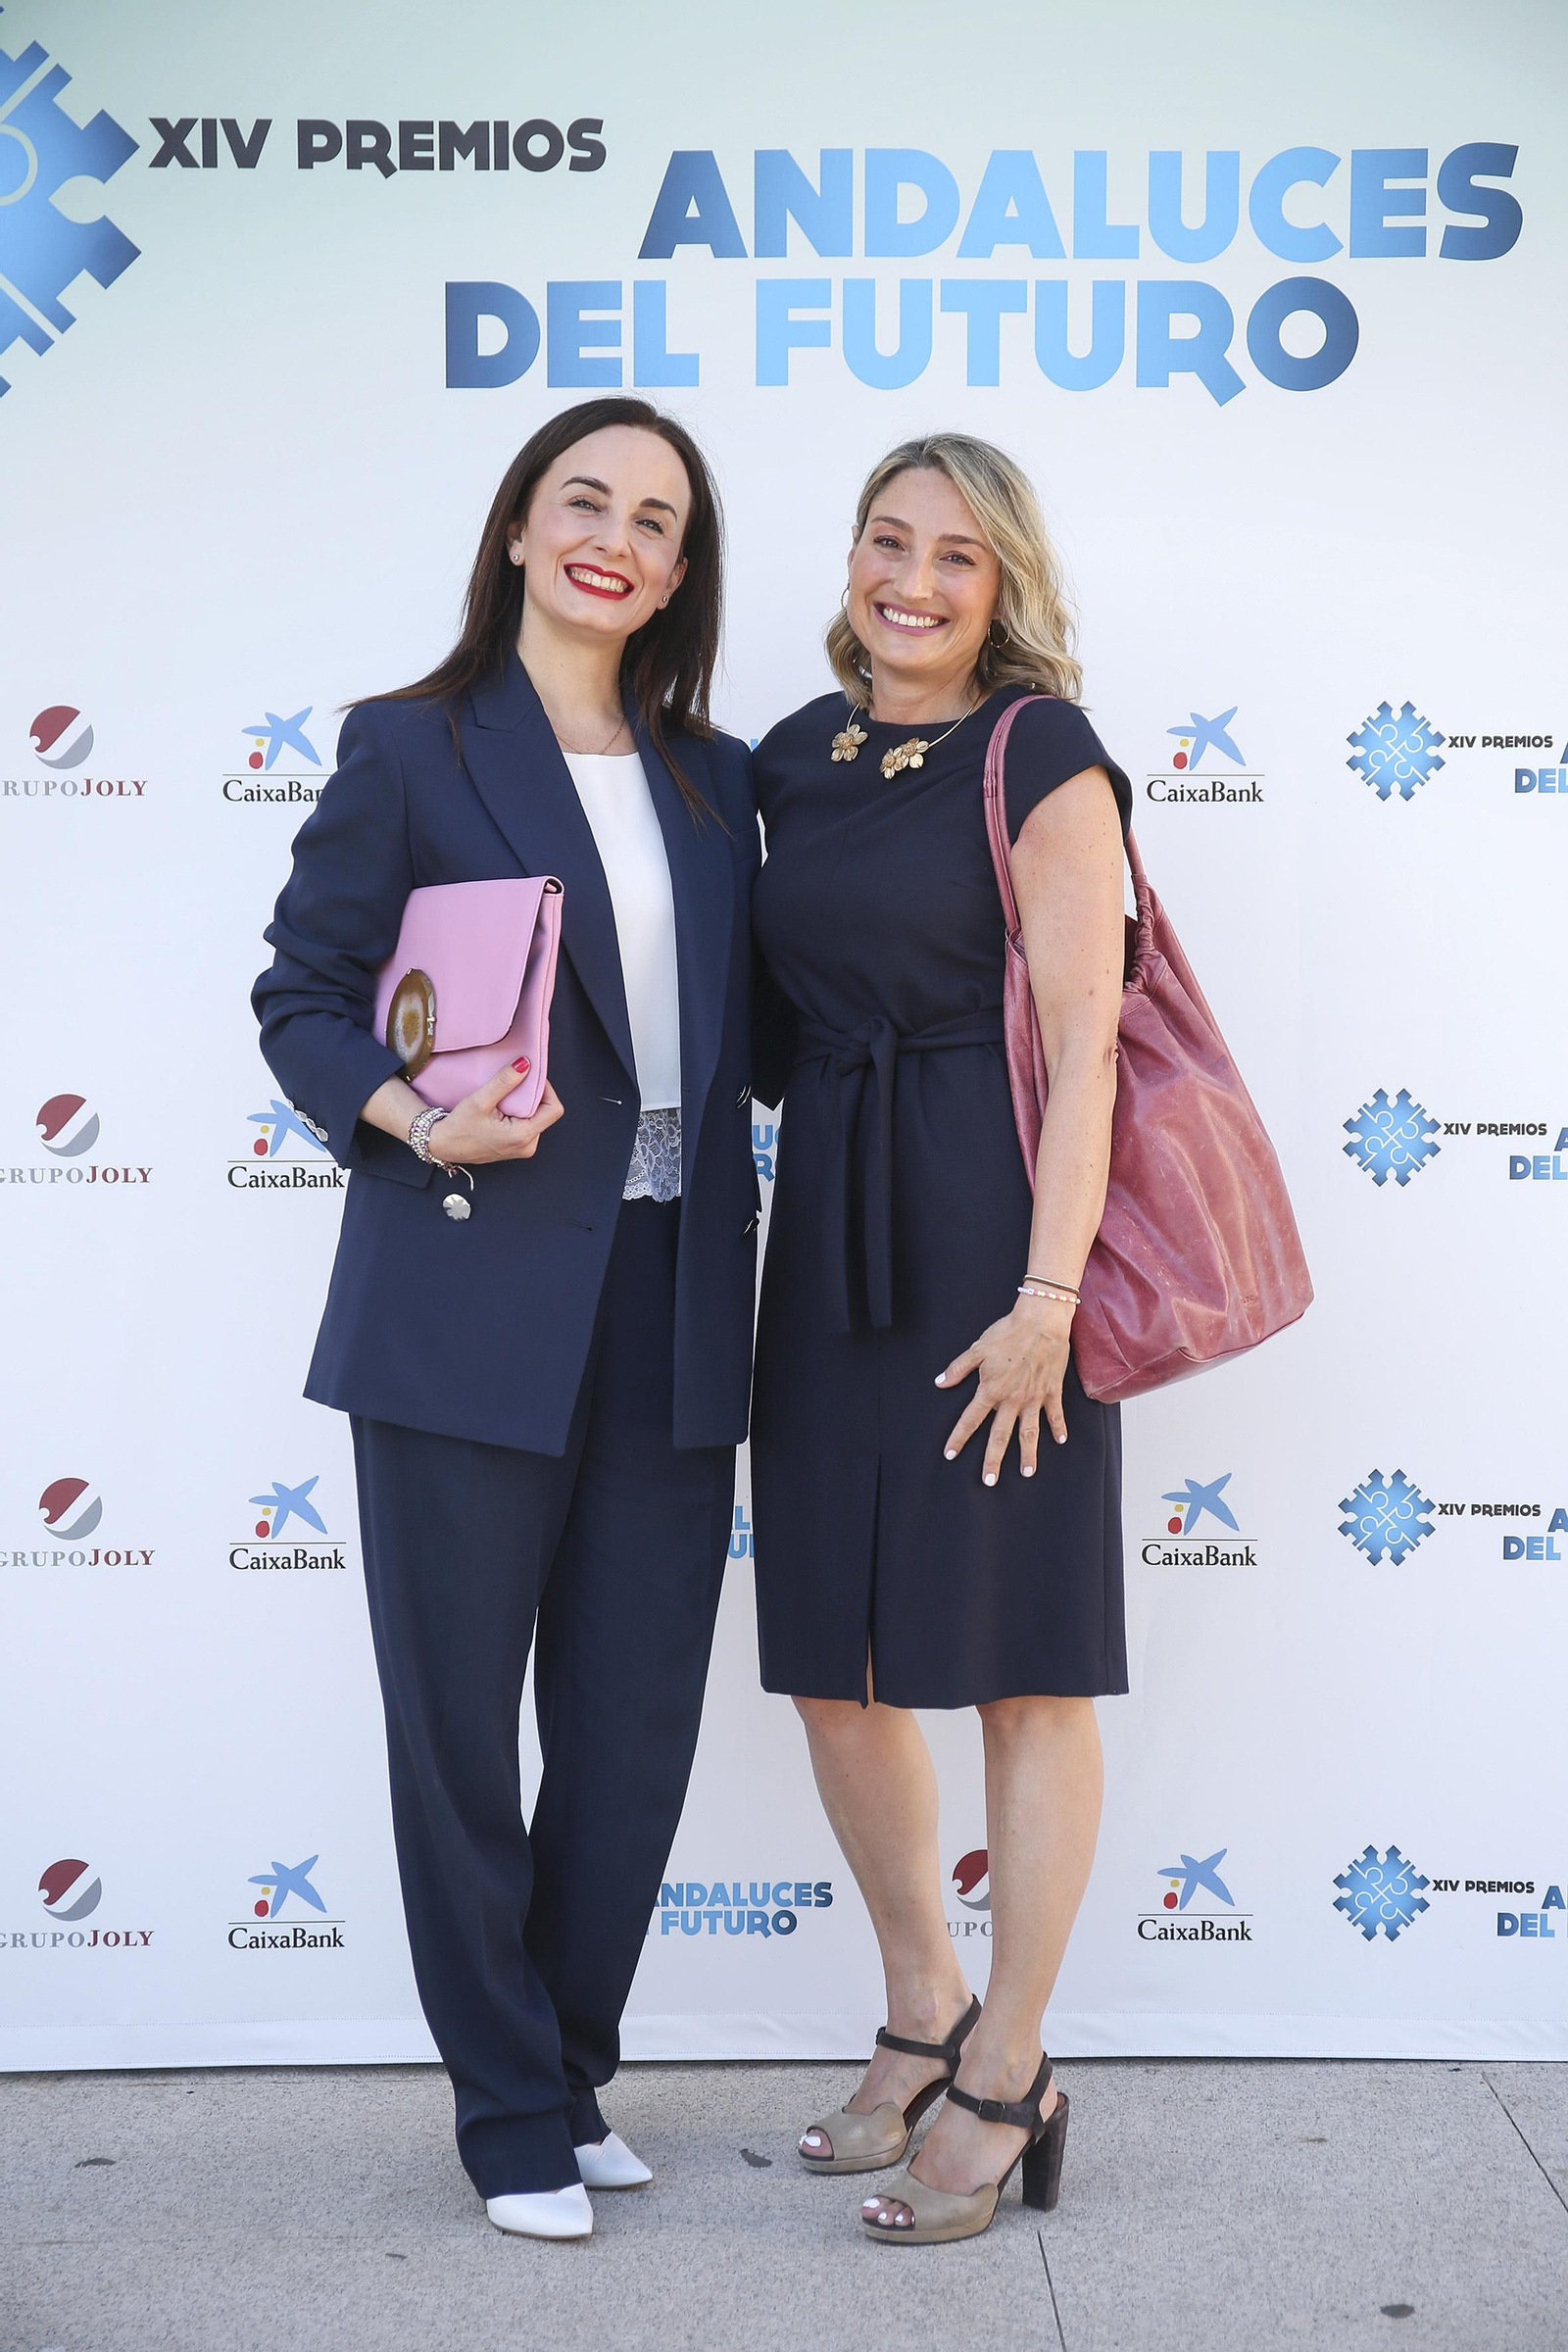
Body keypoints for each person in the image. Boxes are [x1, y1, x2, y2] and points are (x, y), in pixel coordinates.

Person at [253, 397, 760, 2242]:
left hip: (675, 1298)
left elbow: (756, 1026)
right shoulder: (410, 745)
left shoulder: (717, 778)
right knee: (460, 1727)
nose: (615, 536)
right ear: (525, 528)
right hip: (466, 1285)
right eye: (584, 500)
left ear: (681, 573)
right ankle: (505, 2110)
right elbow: (306, 1000)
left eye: (655, 519)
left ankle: (571, 2056)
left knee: (632, 1732)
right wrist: (405, 1112)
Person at [749, 433, 1131, 2246]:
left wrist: (1049, 1299)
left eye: (954, 558)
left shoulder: (1038, 748)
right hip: (824, 1229)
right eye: (885, 543)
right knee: (836, 1664)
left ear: (1006, 585)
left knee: (1021, 1668)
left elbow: (1087, 1035)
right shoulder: (789, 761)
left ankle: (1015, 2066)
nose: (910, 580)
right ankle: (924, 2008)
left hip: (994, 1231)